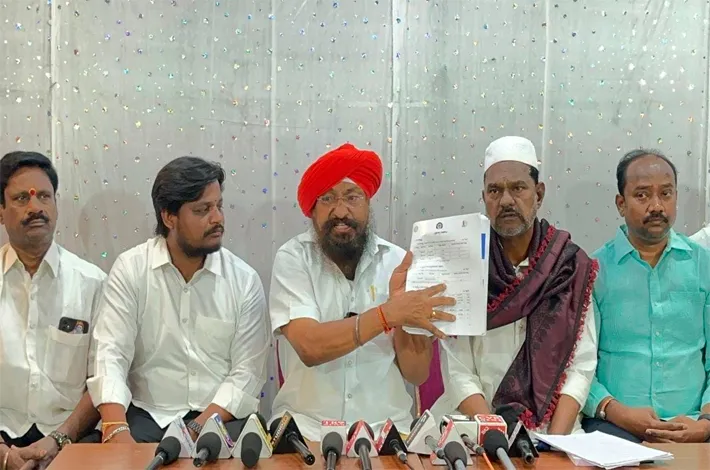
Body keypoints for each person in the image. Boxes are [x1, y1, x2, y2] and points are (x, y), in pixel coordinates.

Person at [268, 143, 456, 441]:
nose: (341, 211)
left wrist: (406, 320)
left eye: (352, 197)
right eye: (328, 198)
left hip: (387, 431)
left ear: (368, 204)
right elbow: (310, 347)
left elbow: (416, 374)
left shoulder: (398, 263)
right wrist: (387, 315)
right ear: (312, 210)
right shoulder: (293, 259)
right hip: (306, 431)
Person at [87, 157, 270, 444]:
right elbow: (110, 354)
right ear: (169, 217)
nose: (218, 219)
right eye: (203, 210)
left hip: (218, 418)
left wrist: (193, 431)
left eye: (219, 206)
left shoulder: (243, 280)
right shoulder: (132, 269)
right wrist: (116, 428)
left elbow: (247, 373)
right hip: (147, 416)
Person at [427, 136, 598, 435]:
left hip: (554, 429)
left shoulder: (568, 266)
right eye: (495, 190)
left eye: (518, 188)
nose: (506, 201)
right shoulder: (464, 264)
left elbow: (581, 366)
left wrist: (555, 443)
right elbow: (458, 371)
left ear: (539, 194)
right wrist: (495, 434)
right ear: (484, 197)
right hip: (478, 426)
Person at [582, 149, 710, 443]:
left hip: (695, 426)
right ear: (621, 203)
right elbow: (577, 365)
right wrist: (615, 411)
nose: (656, 206)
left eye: (666, 194)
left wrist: (706, 423)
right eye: (642, 195)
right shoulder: (593, 271)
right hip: (613, 429)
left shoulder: (703, 265)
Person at [0, 151, 106, 470]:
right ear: (1, 211)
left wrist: (59, 440)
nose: (36, 207)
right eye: (21, 198)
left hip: (71, 437)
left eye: (44, 196)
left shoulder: (92, 283)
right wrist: (3, 455)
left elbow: (103, 379)